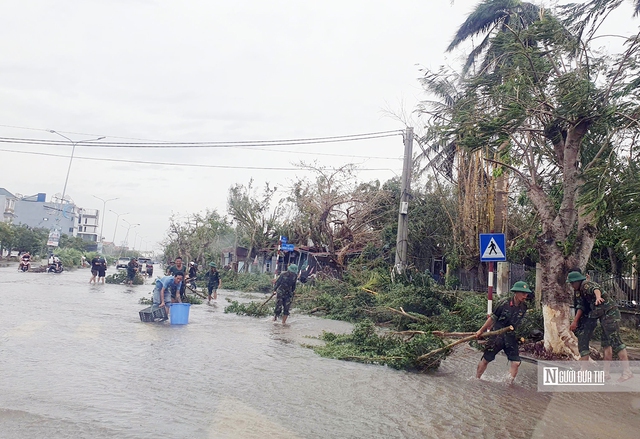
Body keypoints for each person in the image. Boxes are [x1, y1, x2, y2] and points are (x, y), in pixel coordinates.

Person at [567, 271, 633, 382]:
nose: (571, 286)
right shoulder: (581, 289)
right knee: (606, 344)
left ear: (577, 282)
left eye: (572, 283)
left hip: (610, 314)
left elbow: (595, 290)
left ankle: (627, 372)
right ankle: (606, 374)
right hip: (603, 316)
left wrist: (598, 297)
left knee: (616, 342)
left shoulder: (585, 285)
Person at [475, 281, 532, 384]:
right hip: (497, 336)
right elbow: (492, 318)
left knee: (516, 362)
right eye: (522, 293)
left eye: (526, 293)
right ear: (516, 293)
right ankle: (477, 379)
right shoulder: (503, 303)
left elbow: (520, 323)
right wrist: (481, 330)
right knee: (486, 359)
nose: (525, 296)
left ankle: (508, 384)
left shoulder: (524, 307)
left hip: (511, 337)